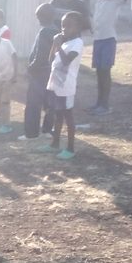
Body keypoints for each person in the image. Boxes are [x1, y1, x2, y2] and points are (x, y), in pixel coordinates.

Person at [81, 0, 132, 114]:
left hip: (108, 40)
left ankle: (105, 105)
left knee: (105, 72)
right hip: (98, 40)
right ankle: (98, 103)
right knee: (99, 73)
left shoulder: (116, 0)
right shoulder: (98, 1)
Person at [36, 11, 84, 160]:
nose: (64, 29)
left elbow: (67, 61)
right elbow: (51, 60)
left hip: (66, 86)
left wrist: (59, 46)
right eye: (63, 26)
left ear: (78, 27)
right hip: (55, 84)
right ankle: (55, 144)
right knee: (57, 115)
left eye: (69, 26)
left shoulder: (78, 43)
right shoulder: (65, 42)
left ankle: (70, 148)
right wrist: (55, 44)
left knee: (68, 117)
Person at [19, 4, 59, 141]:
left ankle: (31, 133)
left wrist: (30, 69)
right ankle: (47, 130)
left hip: (39, 73)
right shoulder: (57, 31)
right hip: (52, 72)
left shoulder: (44, 32)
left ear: (42, 17)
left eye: (38, 17)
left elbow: (40, 55)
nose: (38, 20)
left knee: (33, 104)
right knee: (50, 102)